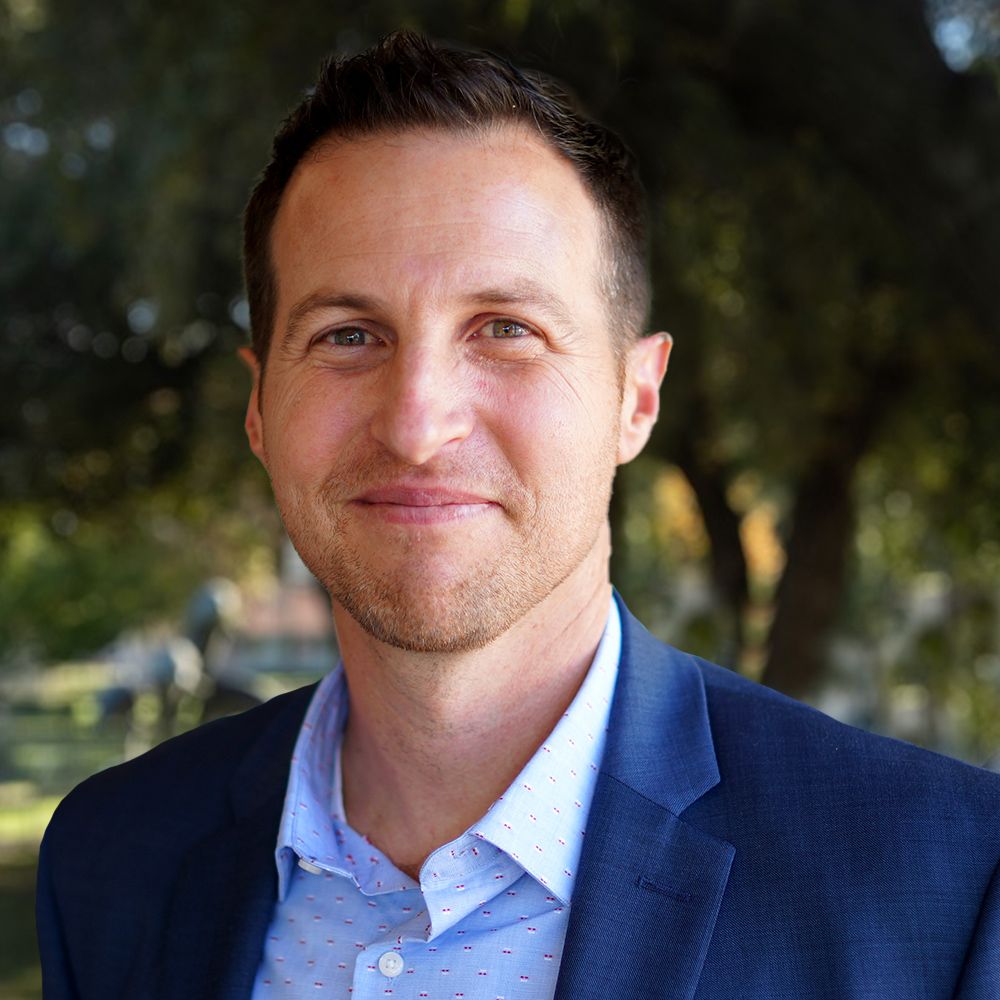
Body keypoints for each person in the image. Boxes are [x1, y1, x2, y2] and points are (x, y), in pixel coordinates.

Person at [36, 31, 999, 1000]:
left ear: (635, 397)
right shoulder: (115, 858)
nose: (418, 425)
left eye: (507, 329)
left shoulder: (942, 882)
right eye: (348, 334)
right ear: (259, 408)